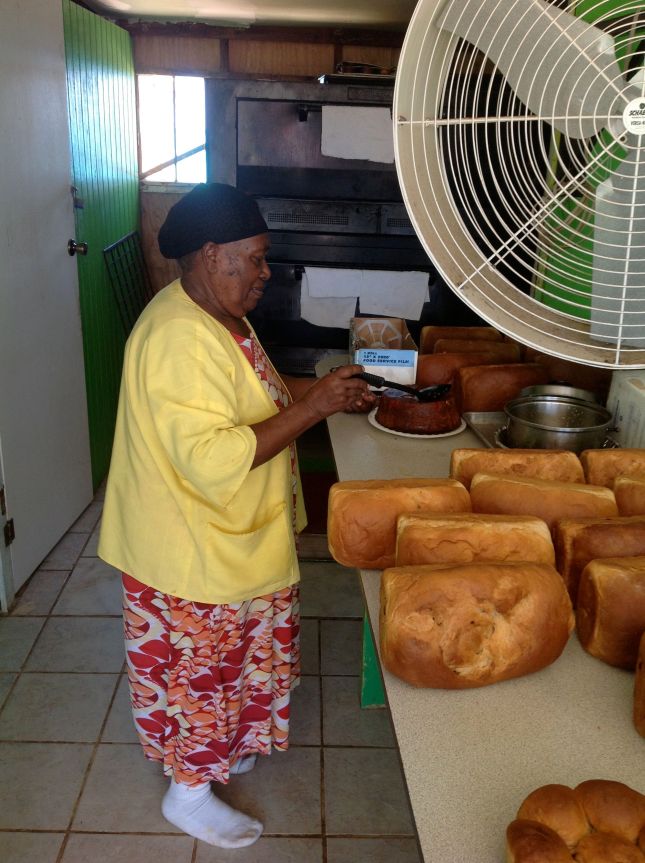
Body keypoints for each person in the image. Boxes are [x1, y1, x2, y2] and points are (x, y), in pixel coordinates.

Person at [98, 182, 375, 849]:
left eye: (264, 257)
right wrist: (311, 408)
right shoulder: (176, 337)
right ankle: (187, 795)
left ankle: (220, 748)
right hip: (186, 545)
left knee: (236, 659)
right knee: (201, 668)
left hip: (223, 535)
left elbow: (257, 398)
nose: (264, 272)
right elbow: (211, 458)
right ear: (210, 252)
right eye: (252, 258)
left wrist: (324, 392)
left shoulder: (218, 315)